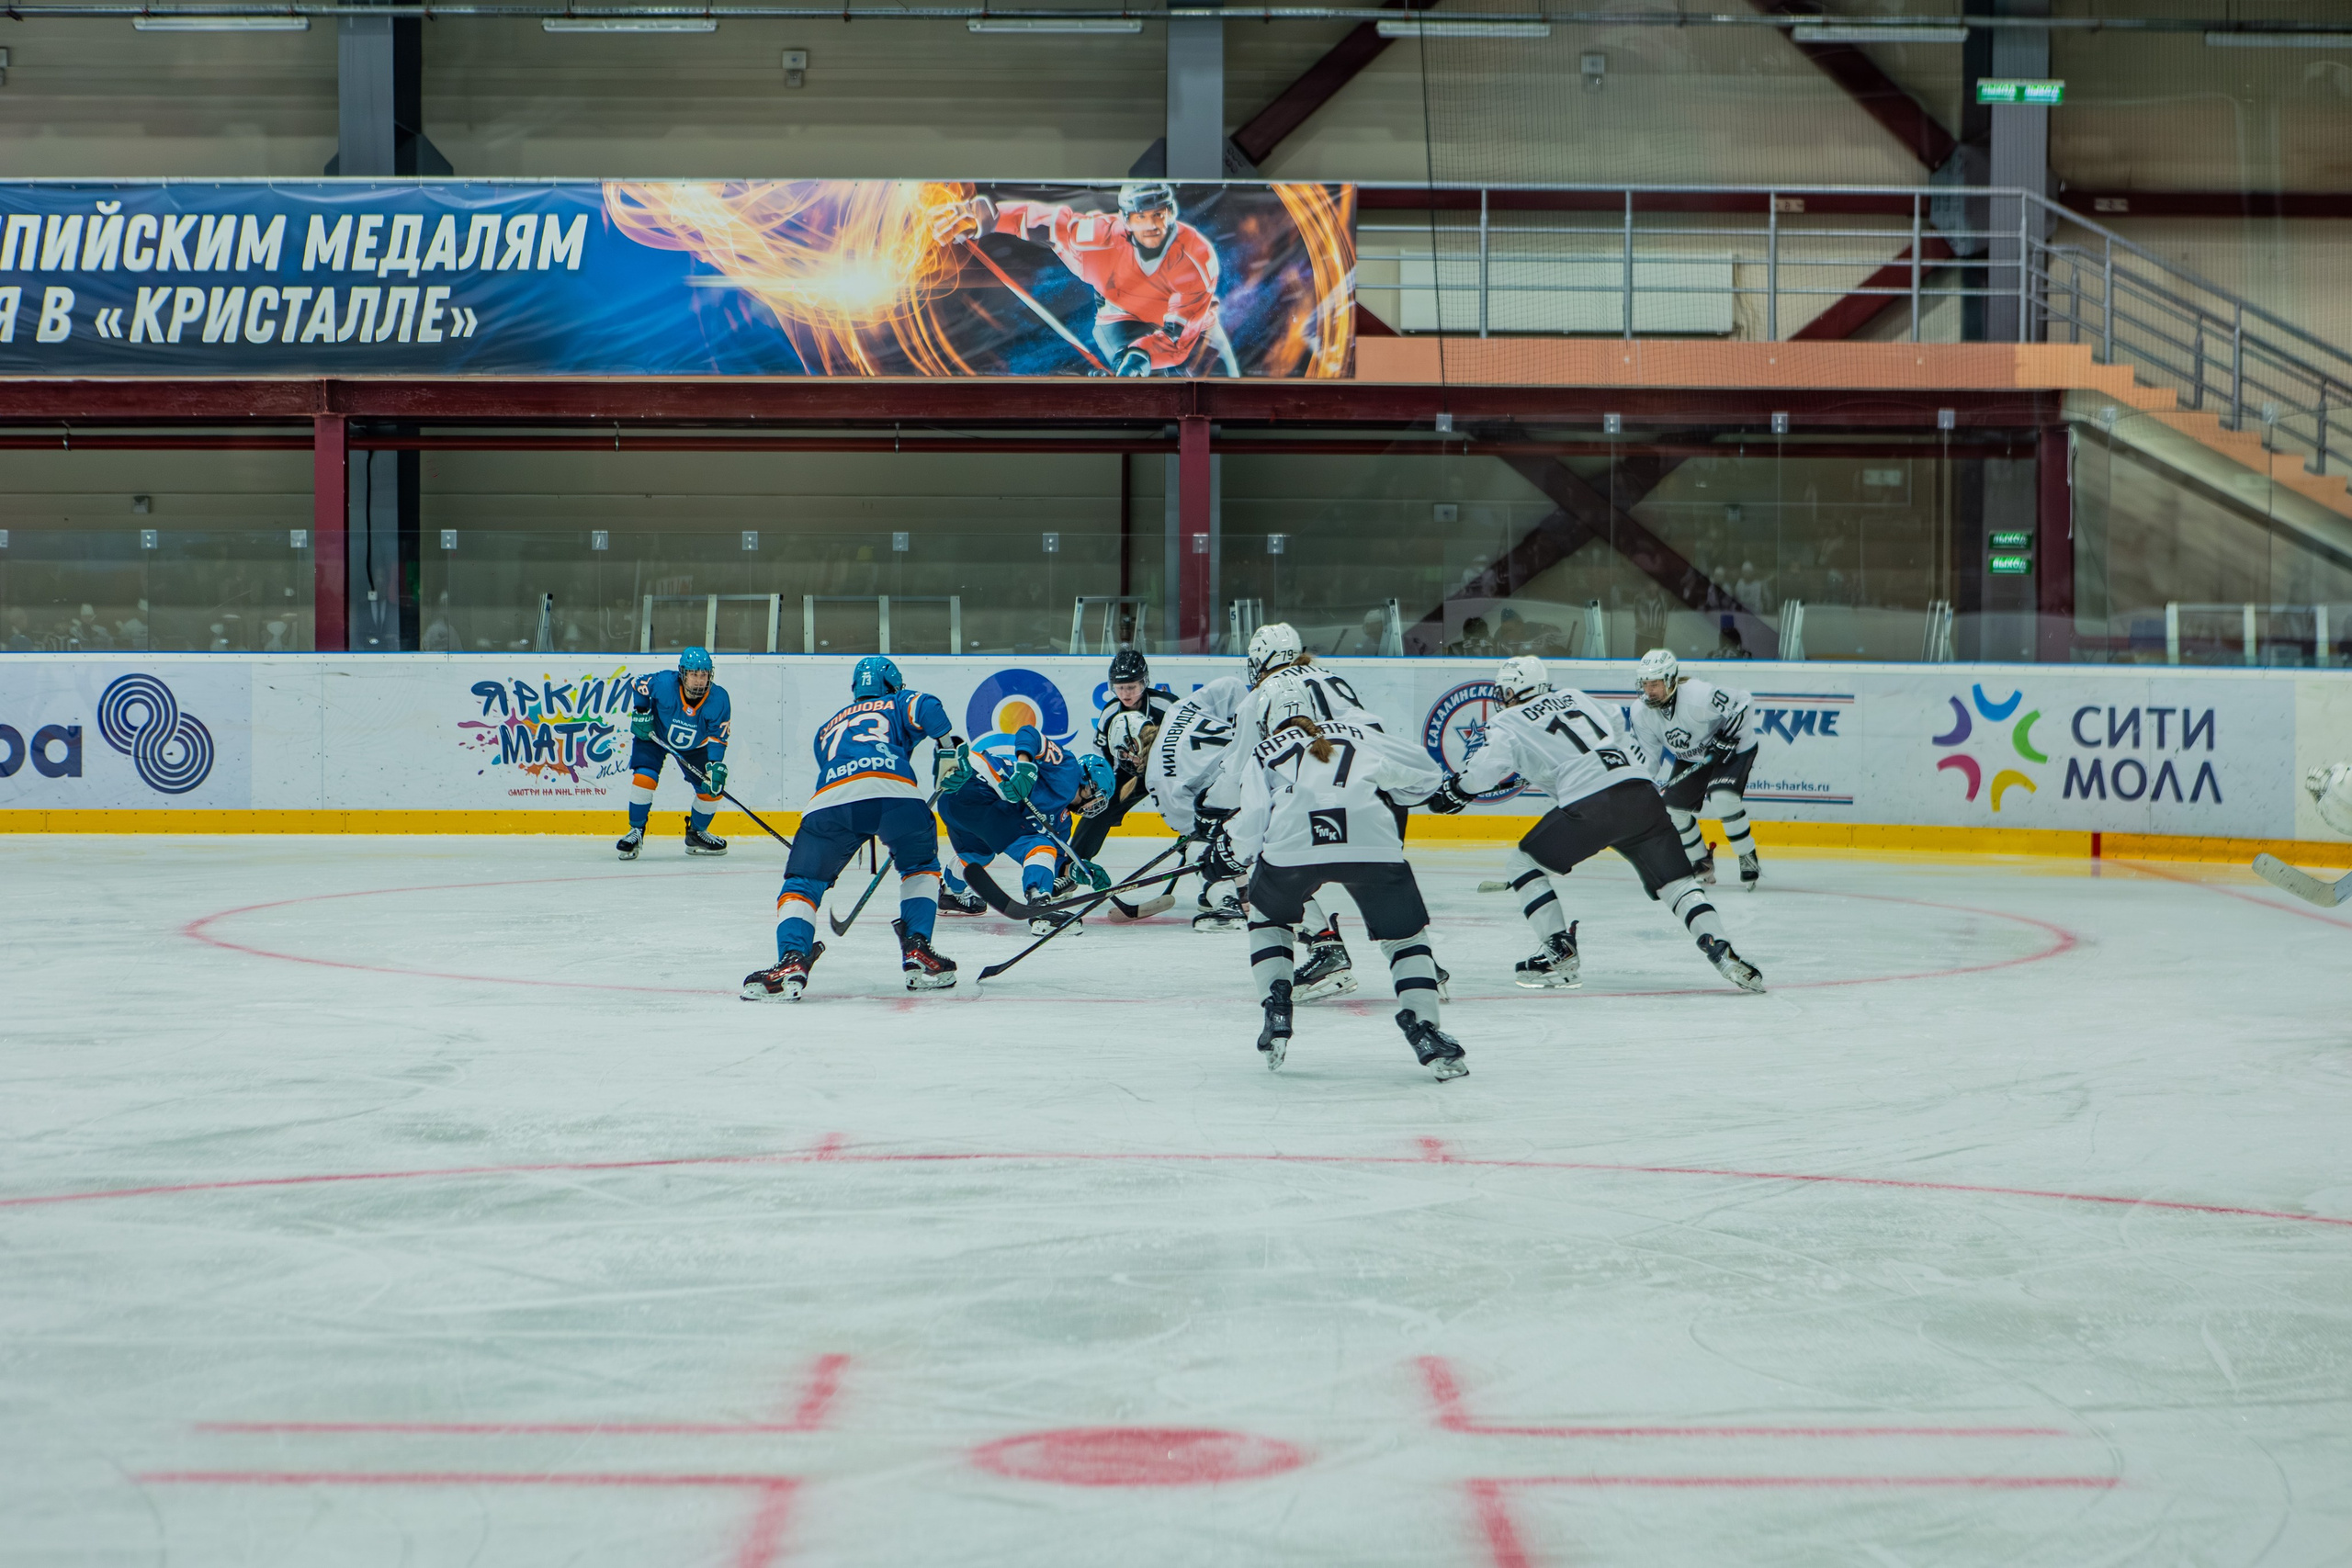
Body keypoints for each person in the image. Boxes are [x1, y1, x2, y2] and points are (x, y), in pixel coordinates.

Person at [1428, 655, 1765, 994]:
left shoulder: (1508, 721)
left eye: (1505, 691)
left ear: (1514, 690)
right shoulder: (1577, 696)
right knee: (1677, 884)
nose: (1503, 698)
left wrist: (1456, 790)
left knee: (1522, 863)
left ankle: (1559, 951)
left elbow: (1488, 768)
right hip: (1641, 795)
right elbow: (1616, 727)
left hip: (1590, 805)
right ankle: (1720, 949)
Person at [1228, 681, 1465, 1080]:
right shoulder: (1360, 734)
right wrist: (1393, 793)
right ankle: (1426, 1030)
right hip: (1371, 840)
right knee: (1405, 937)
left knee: (1268, 917)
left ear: (1266, 720)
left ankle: (1277, 1007)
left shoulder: (1263, 750)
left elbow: (1251, 826)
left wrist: (1231, 856)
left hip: (1294, 846)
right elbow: (1425, 776)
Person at [741, 656, 957, 1000]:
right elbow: (929, 707)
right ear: (892, 685)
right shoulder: (900, 701)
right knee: (920, 867)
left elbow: (836, 767)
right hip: (896, 793)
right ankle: (918, 948)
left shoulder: (826, 728)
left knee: (803, 882)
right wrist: (949, 750)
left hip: (832, 800)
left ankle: (791, 958)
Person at [930, 181, 1238, 378]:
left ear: (1171, 213)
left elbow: (1178, 340)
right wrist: (985, 217)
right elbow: (1051, 225)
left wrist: (1140, 358)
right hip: (1121, 314)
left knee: (1219, 388)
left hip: (1191, 330)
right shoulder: (1099, 239)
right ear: (1127, 220)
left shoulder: (1196, 259)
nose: (1152, 225)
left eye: (1159, 214)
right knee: (1132, 376)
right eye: (1142, 216)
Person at [937, 725, 1113, 935]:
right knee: (1039, 847)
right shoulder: (1067, 768)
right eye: (1096, 797)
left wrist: (1076, 870)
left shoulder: (1063, 822)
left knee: (977, 855)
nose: (1092, 806)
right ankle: (1039, 905)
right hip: (978, 783)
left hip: (954, 804)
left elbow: (1053, 862)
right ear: (1088, 780)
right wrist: (1025, 767)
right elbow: (1029, 733)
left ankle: (950, 893)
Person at [1626, 648, 1762, 888]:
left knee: (1722, 798)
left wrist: (1726, 736)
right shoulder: (1641, 712)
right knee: (1673, 811)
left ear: (1670, 680)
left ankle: (1746, 855)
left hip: (1734, 748)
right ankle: (1701, 861)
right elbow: (1649, 758)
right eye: (1645, 684)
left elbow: (1743, 702)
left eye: (1655, 683)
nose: (1649, 690)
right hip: (1692, 758)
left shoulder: (1698, 695)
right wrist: (1638, 785)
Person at [619, 647, 733, 860]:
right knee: (645, 777)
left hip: (695, 747)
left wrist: (714, 765)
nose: (699, 680)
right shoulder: (663, 683)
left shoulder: (719, 698)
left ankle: (697, 834)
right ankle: (636, 831)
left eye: (703, 674)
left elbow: (718, 737)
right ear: (682, 673)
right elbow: (637, 684)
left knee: (711, 790)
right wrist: (642, 712)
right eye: (693, 674)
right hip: (655, 736)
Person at [1069, 649, 1181, 868]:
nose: (1126, 693)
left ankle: (1212, 879)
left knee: (1197, 812)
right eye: (1120, 688)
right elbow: (1103, 756)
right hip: (1130, 774)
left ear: (1144, 682)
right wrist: (1103, 789)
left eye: (1132, 686)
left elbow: (1185, 747)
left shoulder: (1168, 707)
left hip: (1170, 772)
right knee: (1099, 808)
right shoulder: (1110, 712)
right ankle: (1071, 869)